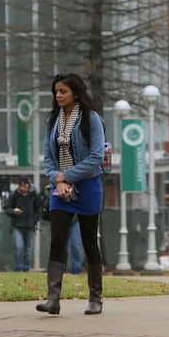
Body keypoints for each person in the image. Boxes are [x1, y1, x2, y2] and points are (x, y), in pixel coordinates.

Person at [37, 72, 105, 315]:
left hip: (88, 186)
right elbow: (48, 156)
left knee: (89, 242)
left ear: (76, 93)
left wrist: (68, 176)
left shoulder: (91, 118)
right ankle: (52, 298)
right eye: (56, 91)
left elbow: (96, 156)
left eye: (63, 91)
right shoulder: (52, 121)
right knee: (56, 240)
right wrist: (57, 178)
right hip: (60, 189)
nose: (58, 95)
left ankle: (95, 298)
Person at [5, 176, 41, 272]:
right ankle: (18, 268)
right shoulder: (14, 195)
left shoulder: (34, 195)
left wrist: (34, 221)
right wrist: (13, 211)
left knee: (28, 250)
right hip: (17, 225)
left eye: (24, 185)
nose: (22, 188)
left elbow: (38, 210)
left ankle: (26, 268)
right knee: (19, 246)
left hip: (30, 226)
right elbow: (7, 208)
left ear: (28, 185)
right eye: (20, 185)